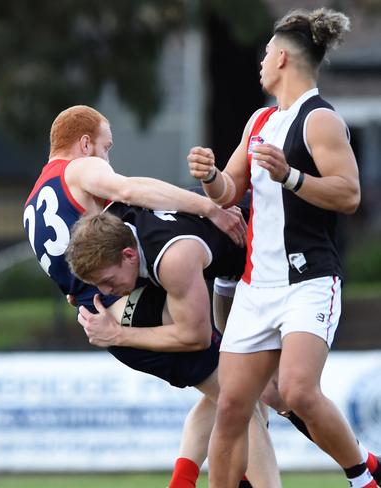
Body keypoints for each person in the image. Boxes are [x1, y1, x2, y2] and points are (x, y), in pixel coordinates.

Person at [187, 8, 377, 488]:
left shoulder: (321, 120)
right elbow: (231, 191)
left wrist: (290, 176)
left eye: (267, 54)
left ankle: (362, 478)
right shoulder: (260, 120)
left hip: (308, 282)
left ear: (285, 60)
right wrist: (210, 176)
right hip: (257, 287)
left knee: (297, 391)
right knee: (231, 406)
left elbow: (349, 194)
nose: (261, 62)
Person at [23, 104, 248, 486]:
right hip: (128, 311)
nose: (108, 158)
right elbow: (131, 189)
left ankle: (184, 480)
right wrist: (209, 208)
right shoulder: (78, 168)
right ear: (84, 143)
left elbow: (72, 276)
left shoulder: (31, 204)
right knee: (241, 399)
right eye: (106, 148)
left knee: (222, 391)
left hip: (103, 315)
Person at [66, 205, 280, 487]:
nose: (105, 293)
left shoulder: (171, 259)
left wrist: (117, 335)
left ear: (129, 255)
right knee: (236, 394)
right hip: (233, 276)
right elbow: (134, 188)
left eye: (107, 282)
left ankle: (357, 470)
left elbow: (196, 337)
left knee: (262, 397)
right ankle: (186, 481)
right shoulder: (116, 222)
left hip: (272, 268)